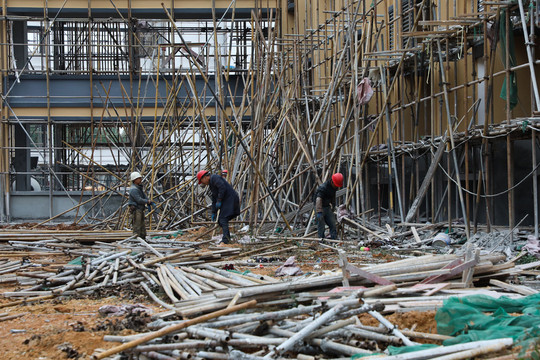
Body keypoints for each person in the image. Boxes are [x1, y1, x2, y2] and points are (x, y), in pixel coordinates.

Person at [197, 170, 240, 244]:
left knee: (223, 219)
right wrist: (214, 211)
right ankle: (227, 237)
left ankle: (226, 240)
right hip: (227, 200)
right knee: (221, 220)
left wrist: (219, 199)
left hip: (230, 199)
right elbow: (214, 198)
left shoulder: (215, 178)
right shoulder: (211, 184)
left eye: (202, 181)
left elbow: (222, 187)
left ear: (205, 177)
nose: (203, 183)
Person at [314, 173, 343, 240]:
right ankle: (321, 240)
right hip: (319, 207)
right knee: (321, 225)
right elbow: (318, 199)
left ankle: (334, 239)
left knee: (332, 223)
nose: (337, 187)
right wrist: (319, 211)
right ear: (332, 182)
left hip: (327, 206)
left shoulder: (334, 187)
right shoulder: (323, 188)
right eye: (336, 185)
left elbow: (333, 196)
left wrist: (333, 205)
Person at [128, 171, 153, 239]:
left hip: (140, 209)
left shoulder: (139, 188)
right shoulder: (134, 189)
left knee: (142, 225)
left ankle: (142, 238)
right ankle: (136, 238)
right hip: (136, 210)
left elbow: (143, 196)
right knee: (137, 225)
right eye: (139, 178)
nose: (140, 180)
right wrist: (147, 201)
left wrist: (148, 200)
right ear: (135, 180)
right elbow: (139, 200)